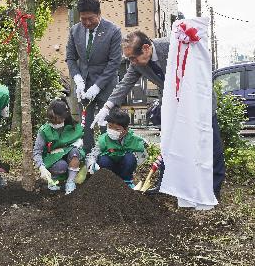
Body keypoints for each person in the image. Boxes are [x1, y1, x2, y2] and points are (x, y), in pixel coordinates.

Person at [91, 31, 226, 199]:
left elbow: (202, 65)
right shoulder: (137, 63)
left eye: (133, 58)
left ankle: (213, 190)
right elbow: (125, 83)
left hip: (198, 100)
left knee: (210, 144)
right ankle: (164, 185)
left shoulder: (174, 46)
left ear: (146, 48)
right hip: (172, 106)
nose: (132, 63)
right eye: (129, 59)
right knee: (169, 146)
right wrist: (107, 106)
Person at [66, 0, 122, 153]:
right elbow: (70, 57)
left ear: (99, 14)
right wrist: (77, 79)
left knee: (108, 124)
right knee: (85, 125)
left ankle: (110, 157)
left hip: (107, 85)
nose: (87, 23)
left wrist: (97, 87)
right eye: (83, 19)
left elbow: (114, 63)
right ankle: (87, 158)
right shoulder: (75, 31)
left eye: (90, 18)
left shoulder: (113, 31)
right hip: (84, 85)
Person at [32, 98, 85, 194]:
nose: (54, 123)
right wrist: (41, 167)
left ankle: (70, 182)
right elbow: (37, 151)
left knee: (75, 152)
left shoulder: (74, 127)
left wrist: (66, 148)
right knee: (61, 166)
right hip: (53, 160)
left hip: (70, 157)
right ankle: (54, 180)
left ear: (65, 117)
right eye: (51, 120)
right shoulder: (44, 131)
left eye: (58, 120)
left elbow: (81, 142)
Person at [86, 108, 147, 188]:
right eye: (110, 126)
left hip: (124, 167)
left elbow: (143, 154)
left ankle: (127, 182)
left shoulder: (133, 139)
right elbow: (92, 155)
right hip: (108, 168)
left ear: (125, 130)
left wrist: (135, 162)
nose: (112, 131)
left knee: (130, 158)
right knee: (104, 160)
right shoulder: (103, 139)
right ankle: (108, 183)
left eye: (117, 129)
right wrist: (92, 165)